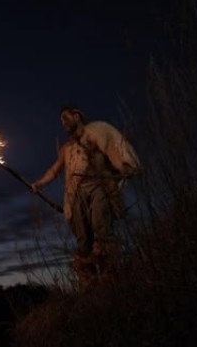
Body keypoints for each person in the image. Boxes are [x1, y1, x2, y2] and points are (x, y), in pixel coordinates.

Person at [30, 105, 140, 288]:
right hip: (77, 194)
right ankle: (90, 283)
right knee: (83, 239)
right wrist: (39, 184)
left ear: (77, 115)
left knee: (101, 226)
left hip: (99, 186)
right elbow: (54, 170)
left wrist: (125, 166)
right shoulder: (67, 148)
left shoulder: (96, 132)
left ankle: (110, 277)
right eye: (61, 121)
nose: (63, 123)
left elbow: (113, 145)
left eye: (65, 118)